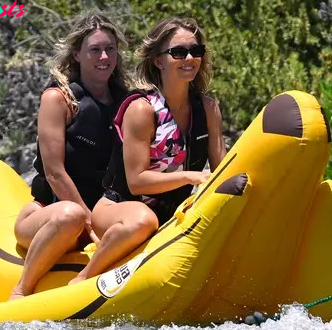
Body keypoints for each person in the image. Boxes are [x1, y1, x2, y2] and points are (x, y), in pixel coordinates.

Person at [69, 17, 226, 285]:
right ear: (158, 60)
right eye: (178, 52)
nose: (189, 58)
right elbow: (137, 180)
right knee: (143, 221)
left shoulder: (208, 109)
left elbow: (223, 168)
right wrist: (191, 177)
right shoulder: (142, 109)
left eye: (196, 51)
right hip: (119, 208)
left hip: (175, 210)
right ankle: (83, 279)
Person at [9, 13, 130, 300]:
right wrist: (89, 226)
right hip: (49, 214)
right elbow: (54, 173)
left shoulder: (128, 102)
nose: (104, 56)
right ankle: (21, 289)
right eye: (95, 49)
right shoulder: (59, 99)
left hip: (101, 215)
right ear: (77, 54)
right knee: (71, 214)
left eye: (110, 49)